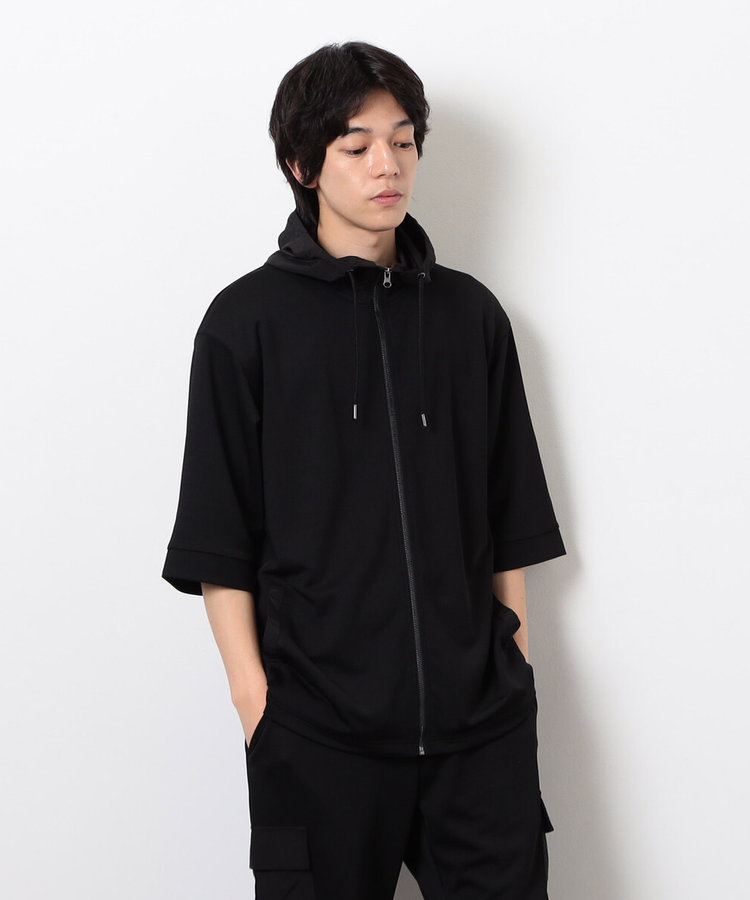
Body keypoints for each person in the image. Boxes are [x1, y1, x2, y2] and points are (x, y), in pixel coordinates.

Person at [162, 41, 566, 900]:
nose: (388, 165)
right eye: (357, 145)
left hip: (479, 733)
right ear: (302, 164)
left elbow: (511, 520)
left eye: (403, 140)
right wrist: (257, 706)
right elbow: (218, 539)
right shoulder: (244, 325)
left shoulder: (471, 317)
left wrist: (513, 670)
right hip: (318, 738)